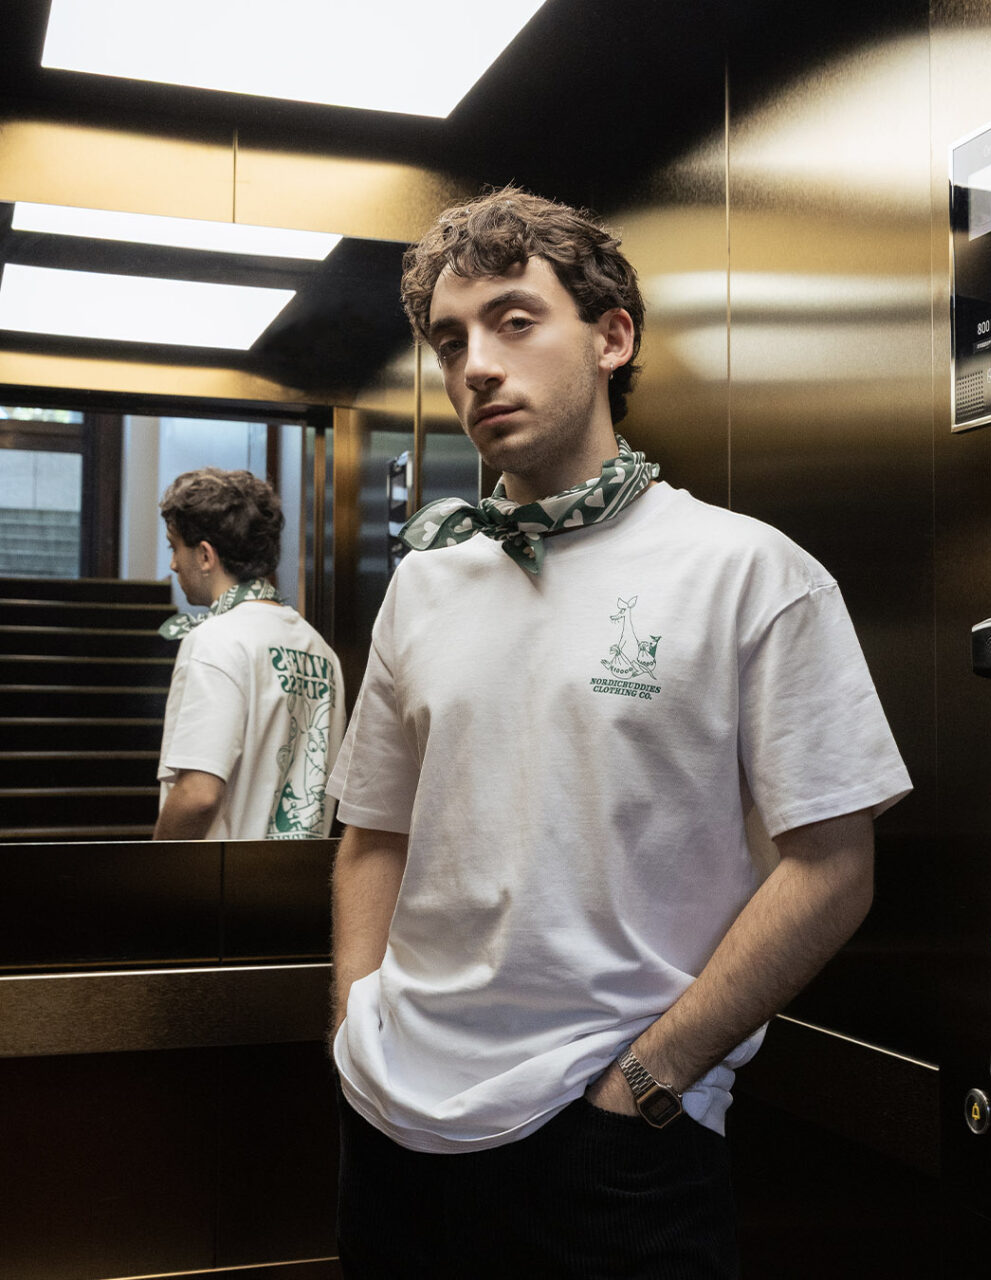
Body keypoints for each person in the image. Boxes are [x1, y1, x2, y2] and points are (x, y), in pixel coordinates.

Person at [326, 188, 911, 1278]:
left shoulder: (747, 572)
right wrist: (354, 1025)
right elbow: (373, 832)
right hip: (395, 1121)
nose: (477, 366)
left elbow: (833, 865)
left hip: (611, 1136)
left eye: (514, 320)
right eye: (450, 341)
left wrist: (649, 1080)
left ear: (610, 336)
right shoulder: (423, 583)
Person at [154, 467, 344, 841]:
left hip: (221, 887)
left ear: (206, 556)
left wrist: (151, 876)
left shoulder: (215, 640)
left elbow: (198, 795)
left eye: (174, 547)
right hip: (298, 885)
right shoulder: (320, 649)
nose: (174, 564)